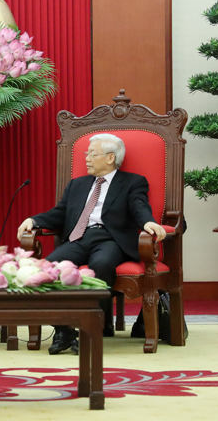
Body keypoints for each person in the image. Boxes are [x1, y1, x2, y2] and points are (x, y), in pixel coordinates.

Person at [17, 133, 167, 354]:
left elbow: (139, 206)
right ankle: (64, 330)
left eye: (92, 154)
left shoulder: (132, 182)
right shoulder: (77, 184)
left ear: (110, 158)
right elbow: (60, 212)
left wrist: (148, 222)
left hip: (110, 240)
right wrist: (34, 220)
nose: (86, 158)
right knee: (49, 266)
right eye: (87, 153)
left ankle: (91, 328)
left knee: (101, 265)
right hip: (79, 238)